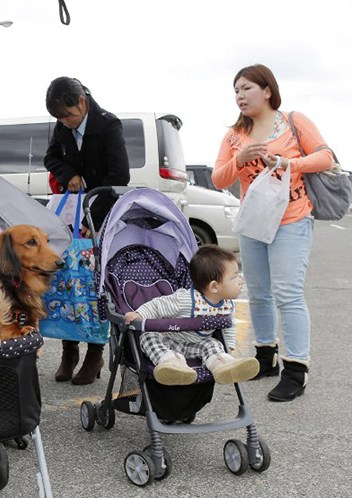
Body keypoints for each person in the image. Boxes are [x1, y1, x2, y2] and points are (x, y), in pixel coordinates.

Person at [213, 63, 335, 402]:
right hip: (254, 222)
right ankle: (265, 356)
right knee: (260, 292)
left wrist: (287, 163)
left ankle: (296, 369)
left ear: (268, 90)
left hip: (292, 219)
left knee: (288, 293)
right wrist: (239, 159)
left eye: (247, 88)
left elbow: (325, 157)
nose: (240, 95)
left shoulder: (294, 122)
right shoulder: (235, 135)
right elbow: (218, 179)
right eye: (236, 90)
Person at [44, 76, 131, 385]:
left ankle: (94, 354)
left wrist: (91, 213)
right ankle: (69, 350)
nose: (65, 123)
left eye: (67, 115)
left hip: (101, 216)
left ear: (81, 101)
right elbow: (51, 156)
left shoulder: (108, 125)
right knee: (67, 280)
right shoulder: (63, 125)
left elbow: (119, 175)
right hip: (72, 215)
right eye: (59, 119)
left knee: (93, 286)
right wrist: (68, 175)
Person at [124, 246, 259, 386]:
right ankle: (172, 364)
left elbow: (229, 325)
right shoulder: (186, 299)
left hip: (196, 345)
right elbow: (157, 305)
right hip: (169, 341)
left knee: (213, 344)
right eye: (234, 277)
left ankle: (223, 365)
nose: (240, 281)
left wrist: (228, 347)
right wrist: (139, 314)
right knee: (148, 336)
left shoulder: (227, 305)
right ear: (214, 287)